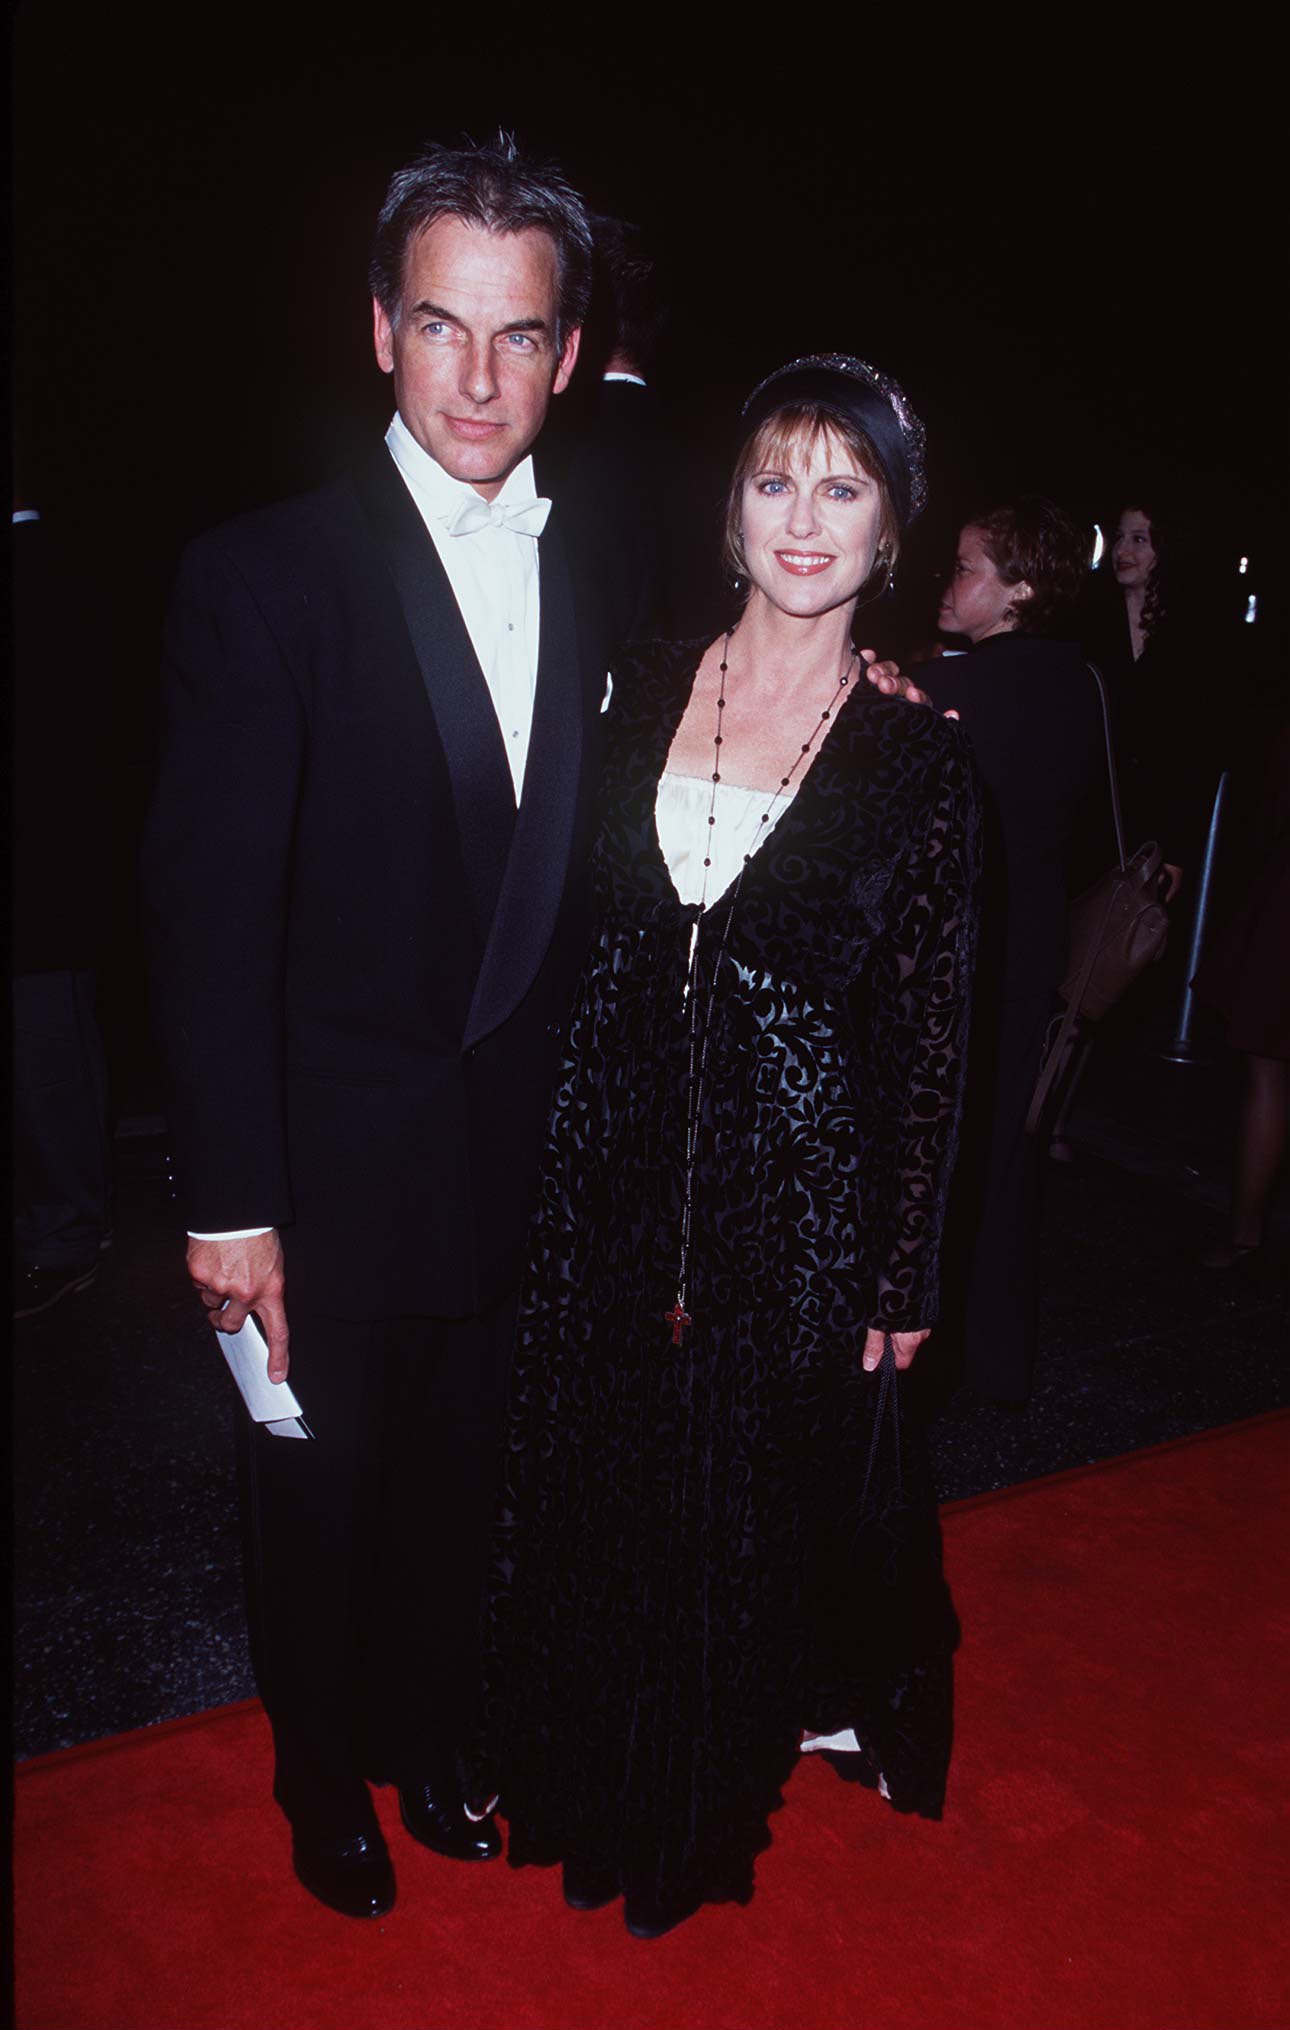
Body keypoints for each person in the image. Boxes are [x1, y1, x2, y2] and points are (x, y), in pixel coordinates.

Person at [141, 135, 623, 1923]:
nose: (480, 378)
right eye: (442, 328)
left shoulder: (600, 573)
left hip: (521, 1161)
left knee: (466, 1494)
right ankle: (316, 1771)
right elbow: (203, 918)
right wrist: (225, 1198)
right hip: (324, 1168)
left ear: (571, 352)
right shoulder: (261, 578)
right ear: (379, 333)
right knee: (318, 1501)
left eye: (519, 335)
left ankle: (434, 1739)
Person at [477, 355, 981, 1939]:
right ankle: (561, 1766)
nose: (803, 518)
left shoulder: (918, 756)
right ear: (729, 508)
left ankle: (685, 1803)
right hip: (604, 1176)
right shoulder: (631, 681)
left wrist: (899, 1270)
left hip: (797, 1211)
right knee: (593, 1481)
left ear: (891, 526)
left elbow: (931, 1042)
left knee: (733, 1513)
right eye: (775, 479)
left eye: (843, 486)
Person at [921, 499, 1101, 1401]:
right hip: (1036, 941)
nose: (950, 583)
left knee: (940, 1152)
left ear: (1019, 589)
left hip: (956, 953)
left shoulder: (954, 692)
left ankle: (933, 1355)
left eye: (967, 567)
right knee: (1005, 1149)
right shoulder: (1083, 682)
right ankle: (996, 1359)